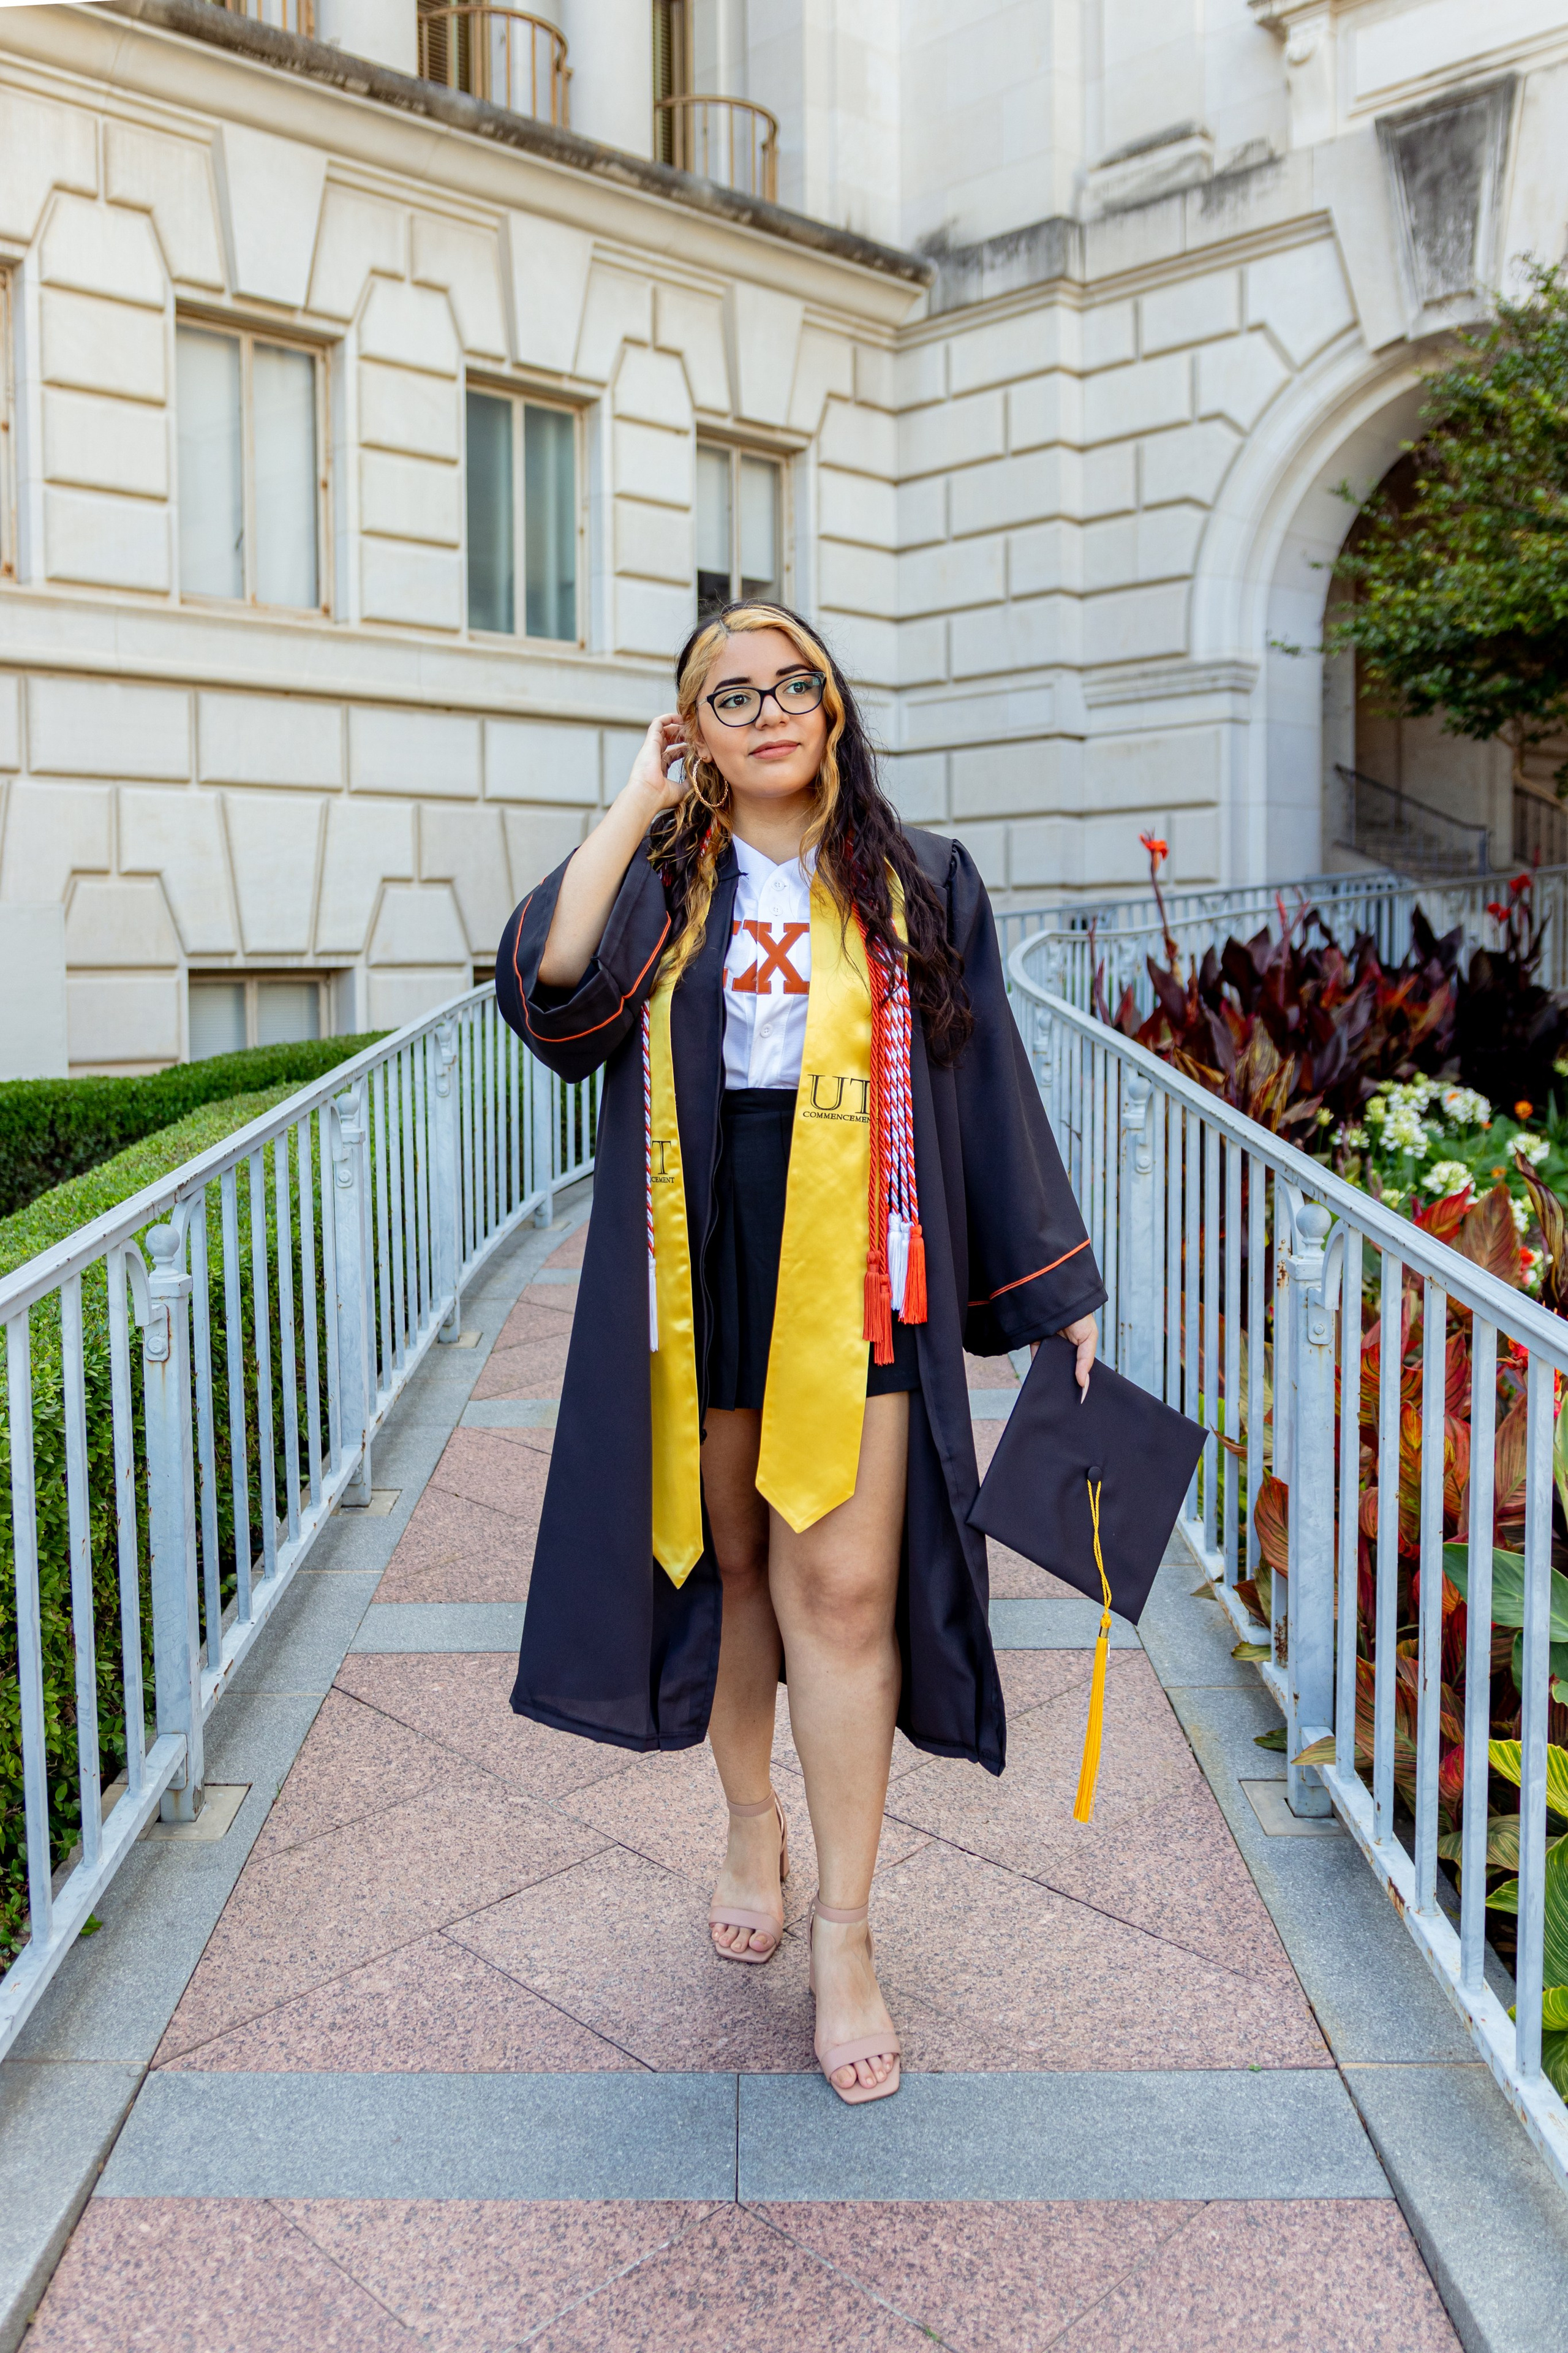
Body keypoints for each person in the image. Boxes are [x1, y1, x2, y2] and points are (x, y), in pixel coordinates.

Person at [494, 602, 1102, 2106]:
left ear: (831, 705)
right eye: (728, 695)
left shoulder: (916, 883)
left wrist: (1055, 1286)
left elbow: (988, 1083)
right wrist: (637, 798)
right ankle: (747, 1817)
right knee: (736, 1566)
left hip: (859, 1249)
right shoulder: (662, 879)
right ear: (691, 728)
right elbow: (551, 993)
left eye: (793, 684)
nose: (768, 710)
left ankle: (846, 1931)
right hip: (699, 1244)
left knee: (840, 1581)